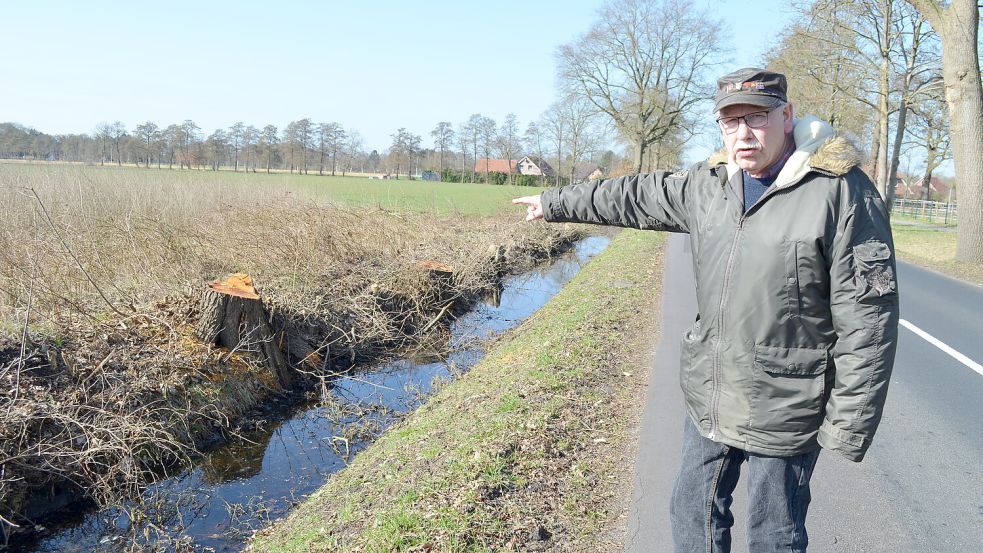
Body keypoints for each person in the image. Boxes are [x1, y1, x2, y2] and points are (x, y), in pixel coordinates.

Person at [512, 68, 899, 553]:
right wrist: (553, 202)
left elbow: (869, 318)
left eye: (756, 118)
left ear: (787, 117)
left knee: (773, 533)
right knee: (691, 512)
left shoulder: (841, 192)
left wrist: (849, 422)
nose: (743, 134)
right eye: (729, 121)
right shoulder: (710, 184)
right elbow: (633, 195)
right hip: (712, 390)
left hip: (787, 403)